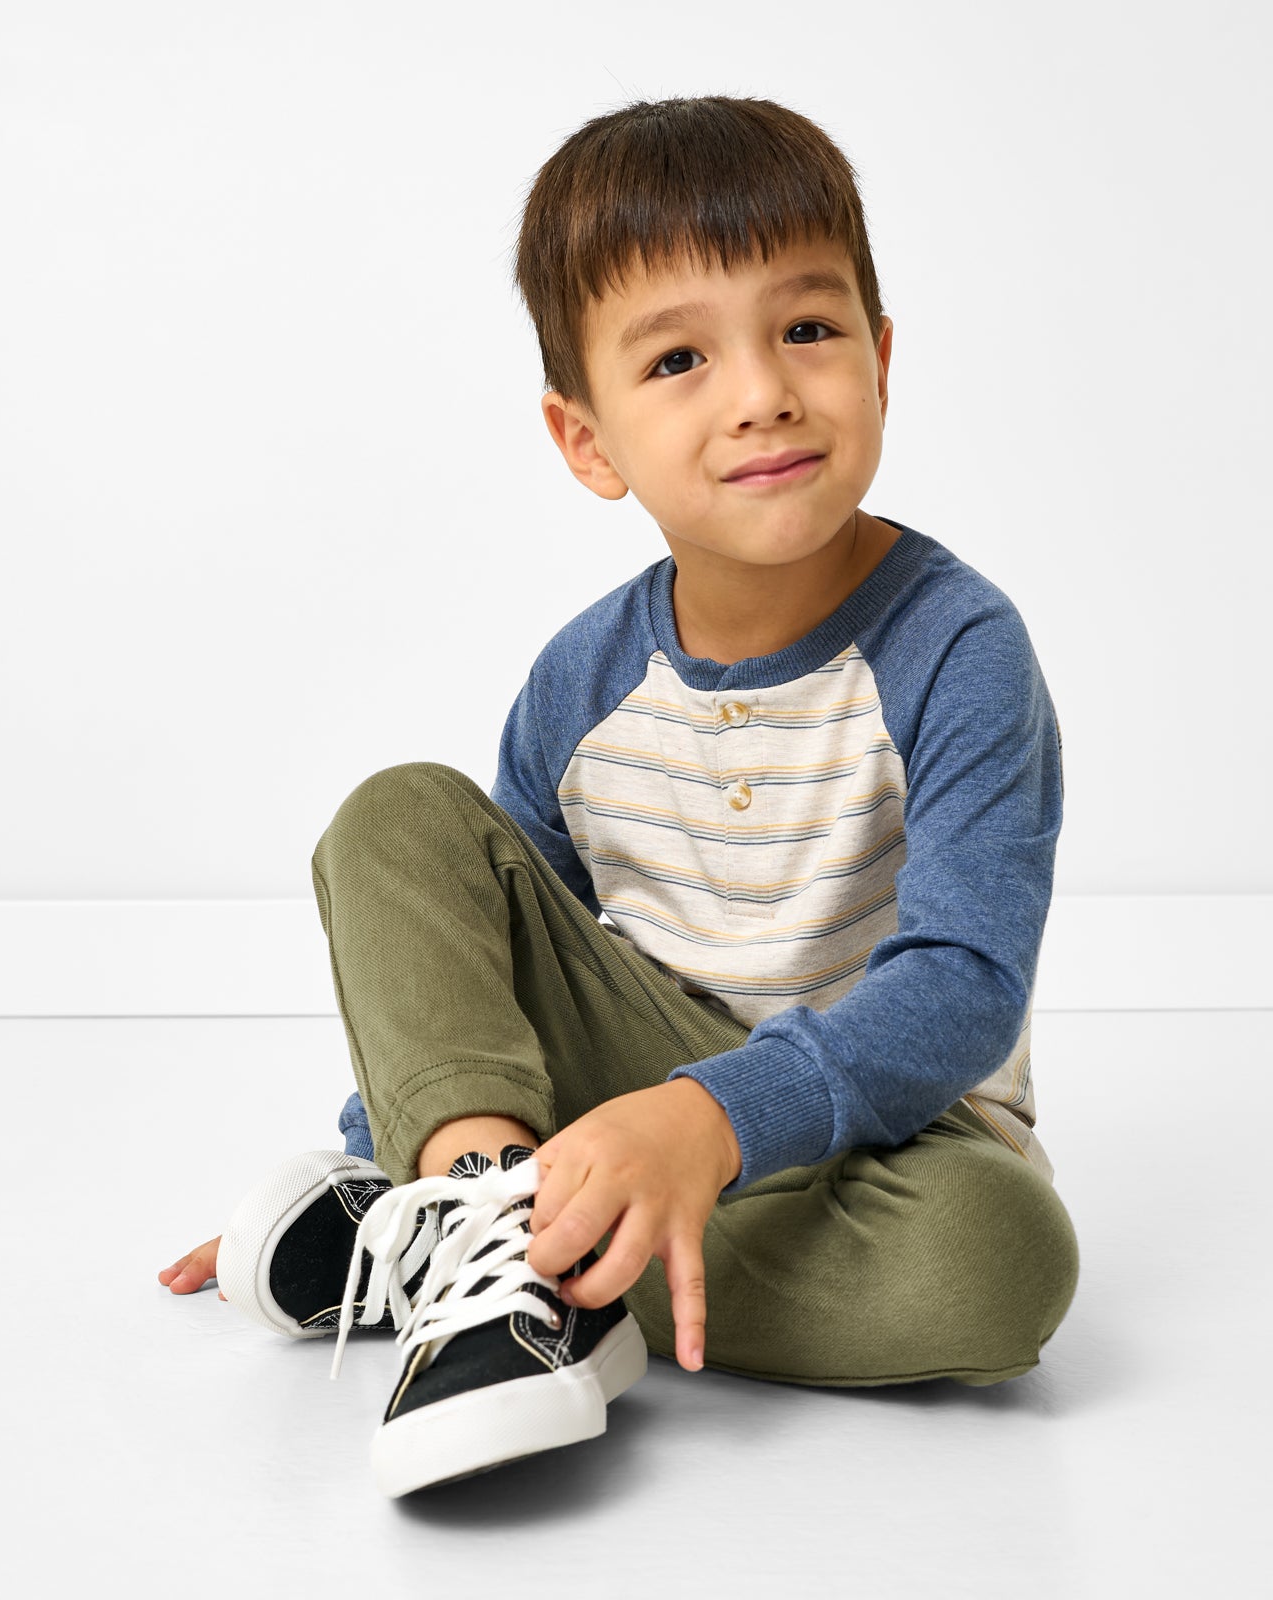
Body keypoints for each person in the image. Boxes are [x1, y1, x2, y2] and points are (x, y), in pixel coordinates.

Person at [159, 93, 1080, 1496]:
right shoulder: (584, 680)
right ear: (587, 441)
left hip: (871, 1150)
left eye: (809, 331)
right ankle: (474, 1211)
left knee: (1000, 1270)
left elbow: (963, 984)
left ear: (883, 362)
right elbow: (491, 955)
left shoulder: (959, 649)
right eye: (679, 359)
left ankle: (530, 1254)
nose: (763, 390)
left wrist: (705, 1126)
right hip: (628, 1106)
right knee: (400, 815)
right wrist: (389, 1130)